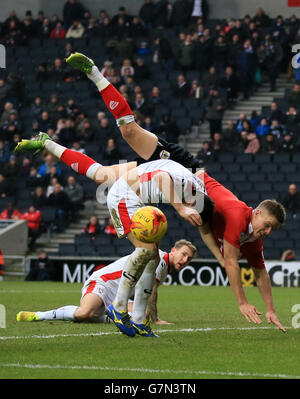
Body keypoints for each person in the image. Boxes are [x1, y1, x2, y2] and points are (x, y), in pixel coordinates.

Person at [15, 52, 285, 334]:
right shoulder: (228, 214)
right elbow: (222, 246)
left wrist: (264, 303)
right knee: (130, 131)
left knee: (100, 175)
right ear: (257, 214)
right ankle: (94, 71)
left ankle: (47, 143)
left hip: (158, 181)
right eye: (267, 226)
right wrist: (182, 209)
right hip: (182, 169)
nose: (266, 232)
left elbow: (210, 234)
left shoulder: (229, 225)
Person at [17, 239, 197, 324]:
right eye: (183, 254)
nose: (185, 260)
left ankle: (110, 312)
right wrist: (157, 320)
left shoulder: (165, 266)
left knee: (142, 317)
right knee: (83, 314)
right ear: (173, 250)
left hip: (122, 294)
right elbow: (152, 293)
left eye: (189, 259)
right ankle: (40, 315)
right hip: (105, 282)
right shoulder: (157, 258)